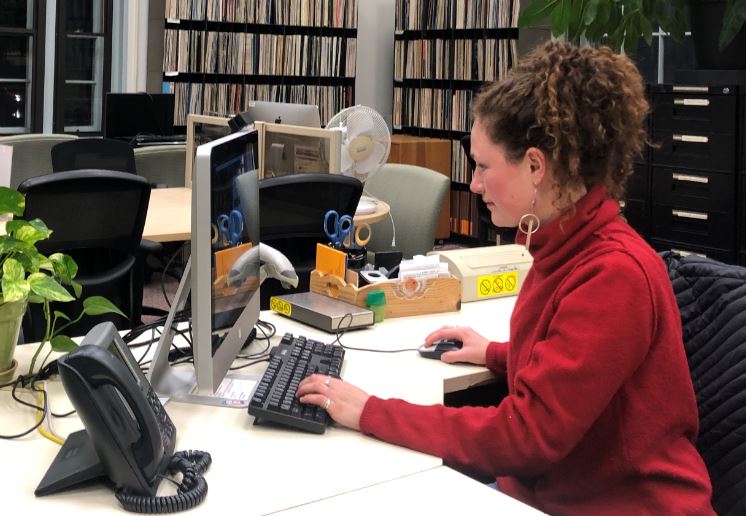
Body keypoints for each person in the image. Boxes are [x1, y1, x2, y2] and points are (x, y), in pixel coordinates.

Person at [297, 40, 715, 515]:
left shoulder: (613, 275)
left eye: (482, 166)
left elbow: (526, 436)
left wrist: (372, 412)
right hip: (553, 494)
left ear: (535, 167)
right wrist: (497, 354)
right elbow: (579, 366)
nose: (473, 184)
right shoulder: (563, 245)